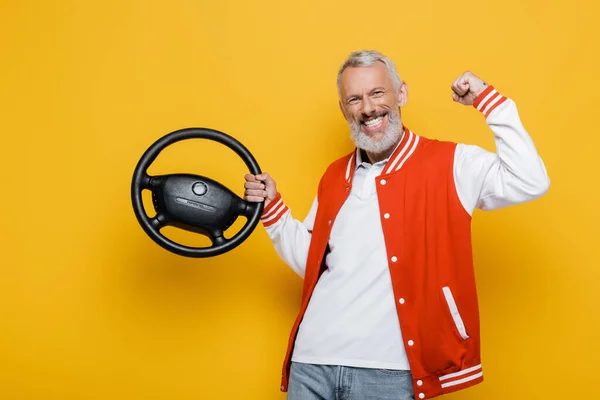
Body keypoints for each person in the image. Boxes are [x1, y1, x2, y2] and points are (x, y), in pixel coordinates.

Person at [243, 50, 549, 400]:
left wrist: (487, 101)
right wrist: (274, 211)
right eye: (354, 99)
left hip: (388, 372)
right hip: (311, 363)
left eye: (377, 93)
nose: (368, 108)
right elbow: (312, 263)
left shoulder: (451, 163)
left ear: (400, 94)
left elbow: (530, 180)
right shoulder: (334, 175)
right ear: (344, 110)